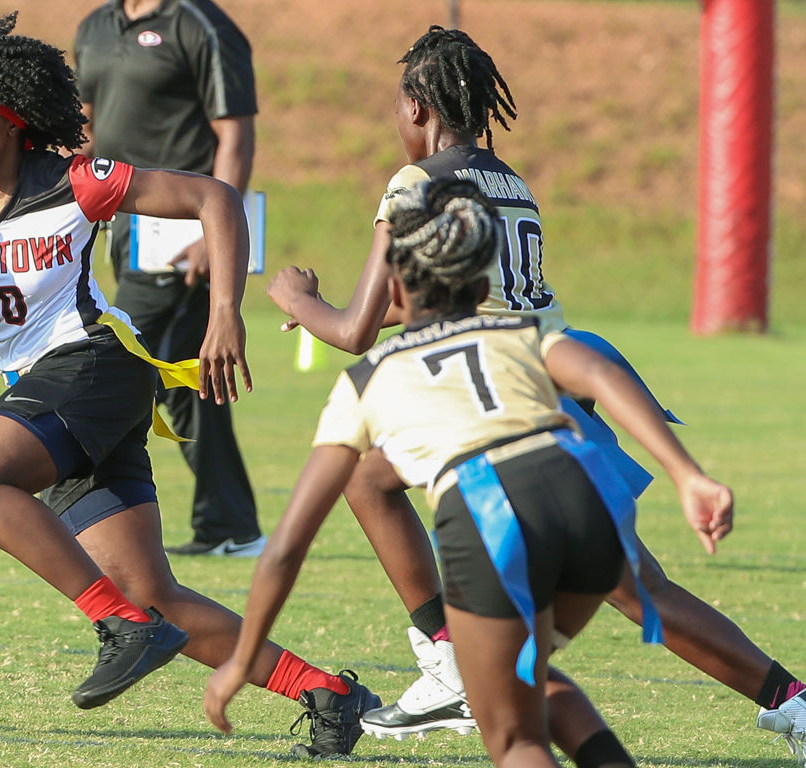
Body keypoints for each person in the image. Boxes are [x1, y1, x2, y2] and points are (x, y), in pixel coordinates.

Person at [0, 11, 378, 758]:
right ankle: (328, 692)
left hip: (95, 363)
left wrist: (225, 315)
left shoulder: (74, 182)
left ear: (15, 122)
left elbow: (214, 199)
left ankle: (118, 627)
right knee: (154, 593)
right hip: (49, 390)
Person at [267, 24, 806, 747]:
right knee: (376, 483)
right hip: (548, 386)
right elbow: (453, 299)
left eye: (398, 108)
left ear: (420, 109)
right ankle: (790, 699)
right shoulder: (507, 181)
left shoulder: (415, 184)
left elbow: (358, 330)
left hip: (506, 404)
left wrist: (299, 299)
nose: (395, 124)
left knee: (630, 588)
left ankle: (454, 661)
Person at [205, 177, 734, 768]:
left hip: (497, 517)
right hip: (592, 509)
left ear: (395, 286)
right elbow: (602, 372)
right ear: (484, 284)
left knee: (513, 738)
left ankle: (457, 674)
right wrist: (688, 475)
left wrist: (241, 657)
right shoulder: (519, 332)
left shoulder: (369, 378)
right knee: (520, 678)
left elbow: (286, 548)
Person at [73, 0, 264, 557]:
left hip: (182, 228)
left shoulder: (200, 24)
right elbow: (84, 127)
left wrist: (213, 233)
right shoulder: (95, 27)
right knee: (187, 386)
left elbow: (236, 134)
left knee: (120, 363)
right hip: (120, 223)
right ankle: (230, 525)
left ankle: (79, 515)